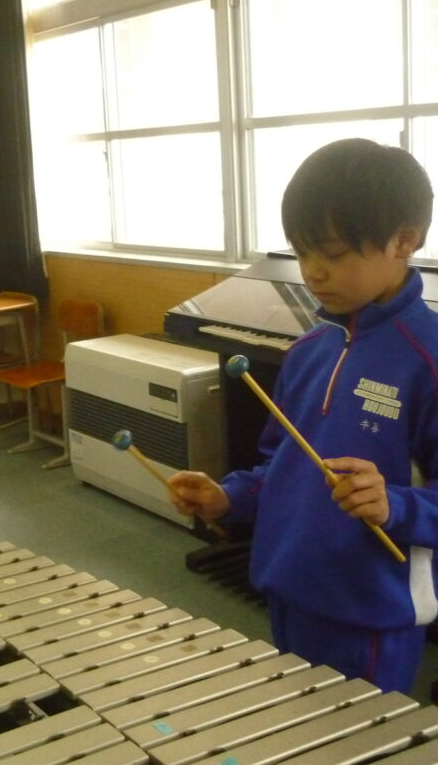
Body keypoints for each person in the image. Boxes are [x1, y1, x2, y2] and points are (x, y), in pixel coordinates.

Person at [168, 138, 438, 694]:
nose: (313, 273)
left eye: (333, 254)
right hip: (288, 586)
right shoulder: (308, 351)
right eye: (301, 252)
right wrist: (228, 497)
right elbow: (283, 465)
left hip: (370, 608)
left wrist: (396, 505)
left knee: (359, 735)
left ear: (404, 240)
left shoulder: (429, 359)